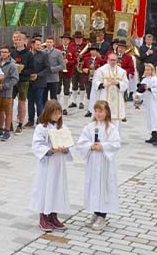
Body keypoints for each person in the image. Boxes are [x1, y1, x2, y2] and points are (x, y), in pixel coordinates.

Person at [75, 100, 120, 231]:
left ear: (107, 112)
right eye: (96, 111)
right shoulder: (90, 127)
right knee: (94, 186)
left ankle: (102, 215)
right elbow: (81, 143)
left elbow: (116, 144)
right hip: (93, 162)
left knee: (104, 187)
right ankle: (95, 212)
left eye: (101, 111)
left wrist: (103, 146)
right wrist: (90, 146)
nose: (98, 114)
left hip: (105, 163)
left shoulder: (111, 128)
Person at [29, 101, 71, 232]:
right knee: (45, 189)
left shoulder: (63, 127)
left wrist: (66, 149)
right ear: (48, 112)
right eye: (54, 112)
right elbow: (37, 145)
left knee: (57, 188)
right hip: (47, 164)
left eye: (59, 112)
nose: (57, 115)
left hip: (59, 164)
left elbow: (69, 143)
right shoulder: (42, 128)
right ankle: (43, 216)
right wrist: (49, 150)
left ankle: (53, 215)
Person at [90, 53, 130, 122]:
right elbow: (95, 82)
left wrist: (117, 83)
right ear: (108, 60)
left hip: (117, 98)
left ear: (117, 60)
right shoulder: (101, 70)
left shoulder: (121, 72)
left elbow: (126, 84)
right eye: (111, 60)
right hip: (104, 96)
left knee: (115, 122)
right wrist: (104, 84)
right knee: (103, 120)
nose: (113, 62)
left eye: (114, 60)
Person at [136, 64, 157, 145]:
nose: (147, 71)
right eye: (145, 70)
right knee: (150, 118)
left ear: (152, 71)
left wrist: (149, 89)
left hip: (155, 103)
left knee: (156, 118)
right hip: (148, 103)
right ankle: (154, 135)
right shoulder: (144, 80)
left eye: (148, 70)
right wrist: (137, 98)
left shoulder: (155, 79)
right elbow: (140, 91)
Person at [0, 46, 20, 143]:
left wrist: (5, 86)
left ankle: (7, 130)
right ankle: (0, 129)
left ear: (9, 53)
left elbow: (15, 79)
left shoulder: (12, 65)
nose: (3, 53)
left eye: (5, 52)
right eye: (2, 52)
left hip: (7, 92)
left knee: (8, 112)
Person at [12, 32, 33, 133]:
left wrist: (22, 71)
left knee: (22, 102)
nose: (18, 42)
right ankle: (9, 123)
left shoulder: (29, 54)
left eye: (20, 40)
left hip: (23, 80)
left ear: (24, 41)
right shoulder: (13, 53)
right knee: (9, 101)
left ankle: (20, 123)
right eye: (17, 40)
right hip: (13, 80)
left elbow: (32, 69)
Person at [81, 46, 107, 118]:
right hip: (88, 78)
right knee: (88, 94)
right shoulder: (86, 59)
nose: (92, 52)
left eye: (94, 50)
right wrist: (84, 69)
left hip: (97, 81)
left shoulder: (100, 60)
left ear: (97, 52)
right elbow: (82, 67)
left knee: (95, 95)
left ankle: (96, 109)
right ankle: (89, 110)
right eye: (91, 50)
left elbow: (104, 68)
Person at [68, 31, 91, 111]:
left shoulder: (86, 45)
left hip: (82, 66)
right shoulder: (71, 45)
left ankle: (81, 101)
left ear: (82, 38)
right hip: (74, 66)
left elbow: (89, 54)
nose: (78, 39)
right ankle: (74, 101)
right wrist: (75, 57)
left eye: (79, 38)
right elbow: (69, 54)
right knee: (74, 83)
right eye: (76, 38)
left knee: (82, 84)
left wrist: (82, 56)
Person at [29, 38, 49, 124]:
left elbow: (47, 68)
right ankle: (30, 120)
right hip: (29, 82)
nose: (39, 47)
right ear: (32, 45)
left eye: (40, 45)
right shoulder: (28, 54)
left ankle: (40, 119)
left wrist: (38, 75)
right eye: (37, 45)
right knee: (30, 102)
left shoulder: (44, 55)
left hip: (40, 82)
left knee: (39, 102)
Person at [43, 37, 66, 104]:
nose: (49, 44)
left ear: (53, 43)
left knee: (53, 98)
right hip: (44, 79)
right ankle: (45, 112)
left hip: (53, 79)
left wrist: (52, 69)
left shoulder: (58, 52)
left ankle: (54, 112)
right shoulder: (42, 52)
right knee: (43, 97)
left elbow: (63, 66)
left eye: (50, 42)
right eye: (47, 42)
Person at [58, 34, 76, 111]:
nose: (65, 40)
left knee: (66, 89)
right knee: (57, 89)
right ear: (62, 40)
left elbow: (75, 61)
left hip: (68, 72)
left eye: (66, 39)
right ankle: (57, 106)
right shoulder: (57, 48)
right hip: (58, 72)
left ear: (69, 41)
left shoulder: (72, 49)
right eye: (64, 39)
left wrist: (68, 62)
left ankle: (65, 107)